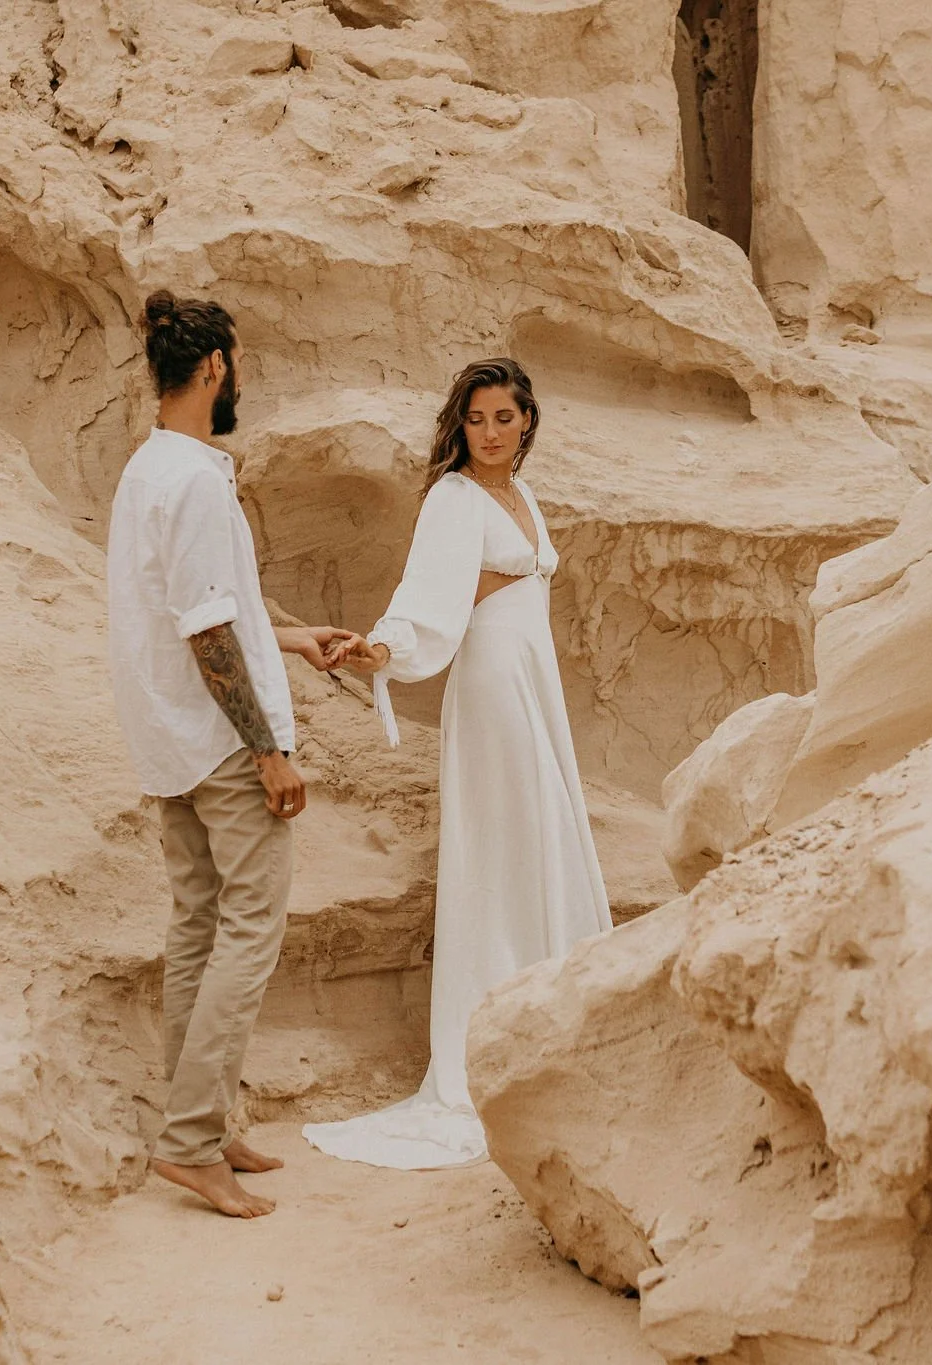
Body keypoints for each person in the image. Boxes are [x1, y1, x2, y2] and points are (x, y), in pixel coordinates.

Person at [305, 357, 613, 1170]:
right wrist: (387, 645)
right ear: (460, 424)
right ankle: (494, 1042)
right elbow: (428, 597)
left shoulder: (524, 495)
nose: (489, 433)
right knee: (504, 846)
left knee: (539, 834)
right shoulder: (454, 497)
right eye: (475, 420)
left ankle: (553, 1020)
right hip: (490, 691)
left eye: (504, 418)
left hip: (531, 684)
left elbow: (504, 585)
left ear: (527, 422)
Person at [107, 290, 360, 1217]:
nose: (240, 376)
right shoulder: (200, 478)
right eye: (239, 362)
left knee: (197, 928)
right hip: (219, 741)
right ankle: (190, 1140)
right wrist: (269, 752)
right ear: (214, 367)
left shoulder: (148, 468)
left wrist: (293, 637)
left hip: (166, 734)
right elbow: (209, 629)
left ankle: (201, 1124)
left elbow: (214, 608)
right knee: (250, 931)